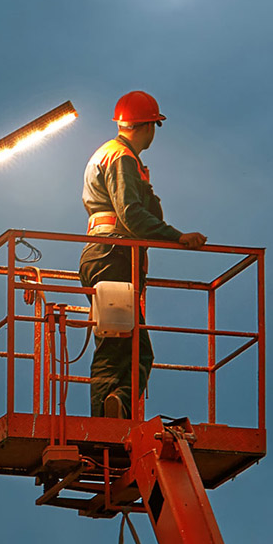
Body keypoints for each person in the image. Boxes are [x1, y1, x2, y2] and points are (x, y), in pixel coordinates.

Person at [79, 90, 207, 418]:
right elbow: (131, 214)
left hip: (104, 255)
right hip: (115, 255)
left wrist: (146, 188)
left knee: (122, 344)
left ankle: (114, 410)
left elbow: (140, 208)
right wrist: (177, 236)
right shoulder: (121, 158)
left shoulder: (111, 155)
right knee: (129, 349)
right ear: (149, 126)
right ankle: (112, 414)